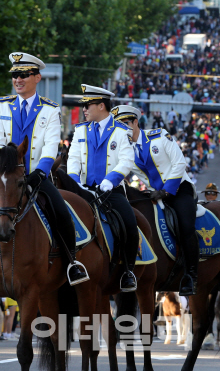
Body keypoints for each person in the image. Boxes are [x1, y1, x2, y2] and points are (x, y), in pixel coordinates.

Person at [0, 52, 88, 286]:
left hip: (36, 177)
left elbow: (51, 145)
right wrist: (8, 166)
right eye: (15, 75)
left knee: (62, 213)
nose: (18, 79)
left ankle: (72, 264)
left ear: (37, 77)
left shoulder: (50, 109)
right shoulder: (1, 105)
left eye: (23, 75)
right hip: (6, 178)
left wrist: (41, 171)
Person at [113, 105, 198, 295]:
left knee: (185, 226)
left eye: (126, 124)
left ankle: (191, 275)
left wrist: (167, 191)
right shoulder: (124, 150)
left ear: (135, 122)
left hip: (178, 189)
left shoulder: (159, 136)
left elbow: (180, 163)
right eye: (119, 126)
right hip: (153, 193)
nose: (123, 130)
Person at [67, 84, 138, 292]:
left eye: (88, 105)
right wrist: (75, 183)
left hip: (110, 191)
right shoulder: (80, 130)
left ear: (101, 105)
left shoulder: (121, 131)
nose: (84, 110)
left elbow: (127, 160)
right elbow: (73, 159)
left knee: (130, 226)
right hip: (82, 191)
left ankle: (128, 271)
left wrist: (110, 180)